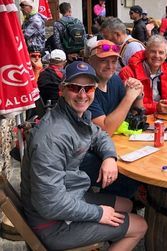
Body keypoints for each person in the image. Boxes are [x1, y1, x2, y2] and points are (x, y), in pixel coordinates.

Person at [20, 61, 147, 250]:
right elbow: (49, 204)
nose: (82, 94)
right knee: (140, 225)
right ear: (62, 89)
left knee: (126, 204)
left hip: (70, 197)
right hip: (53, 224)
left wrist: (109, 157)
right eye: (75, 87)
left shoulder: (74, 116)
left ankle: (111, 235)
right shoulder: (51, 137)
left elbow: (99, 134)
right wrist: (97, 214)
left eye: (88, 88)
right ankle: (117, 233)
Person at [85, 40, 143, 198]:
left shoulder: (114, 80)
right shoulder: (86, 88)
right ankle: (110, 206)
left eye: (113, 61)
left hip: (108, 145)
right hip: (85, 154)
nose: (110, 66)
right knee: (130, 177)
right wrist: (129, 97)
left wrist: (138, 94)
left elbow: (132, 113)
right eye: (103, 61)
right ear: (90, 61)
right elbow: (105, 129)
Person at [119, 35, 167, 115]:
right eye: (153, 51)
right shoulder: (128, 73)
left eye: (161, 52)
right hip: (137, 121)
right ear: (146, 53)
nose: (157, 56)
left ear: (165, 56)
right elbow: (126, 106)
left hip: (160, 120)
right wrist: (155, 108)